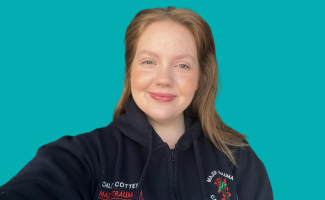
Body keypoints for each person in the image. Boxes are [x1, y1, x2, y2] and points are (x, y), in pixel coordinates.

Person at [0, 6, 273, 200]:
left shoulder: (237, 158)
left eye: (181, 65)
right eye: (149, 62)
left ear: (201, 77)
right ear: (130, 71)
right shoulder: (85, 155)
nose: (164, 79)